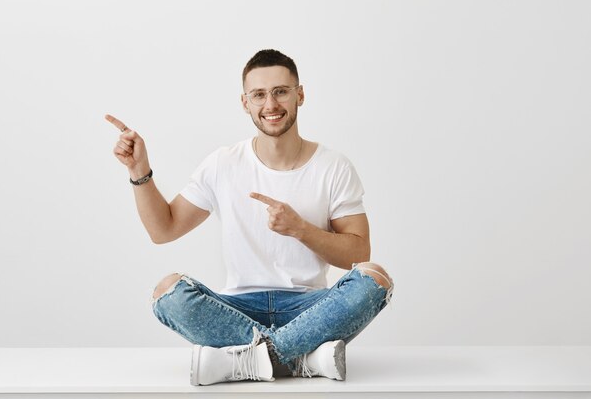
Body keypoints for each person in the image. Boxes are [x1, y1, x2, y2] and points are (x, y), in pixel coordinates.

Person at [106, 49, 394, 386]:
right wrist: (139, 171)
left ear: (300, 94)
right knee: (167, 291)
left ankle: (242, 361)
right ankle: (302, 357)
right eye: (259, 95)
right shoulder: (223, 163)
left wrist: (301, 229)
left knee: (375, 279)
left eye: (281, 91)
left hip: (309, 309)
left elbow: (359, 255)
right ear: (245, 103)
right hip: (237, 308)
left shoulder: (333, 166)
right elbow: (163, 229)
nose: (270, 104)